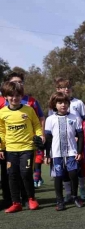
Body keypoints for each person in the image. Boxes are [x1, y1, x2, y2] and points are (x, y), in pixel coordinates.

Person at [0, 81, 43, 213]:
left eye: (17, 95)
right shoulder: (2, 112)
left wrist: (40, 136)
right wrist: (1, 147)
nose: (14, 98)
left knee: (25, 173)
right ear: (5, 97)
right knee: (11, 175)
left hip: (27, 148)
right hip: (10, 149)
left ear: (21, 96)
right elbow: (1, 131)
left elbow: (36, 125)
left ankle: (31, 199)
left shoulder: (28, 110)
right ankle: (16, 203)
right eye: (11, 95)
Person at [44, 92, 83, 211]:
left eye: (65, 102)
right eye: (60, 102)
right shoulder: (50, 119)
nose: (63, 105)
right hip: (56, 153)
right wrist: (47, 154)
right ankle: (60, 200)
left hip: (72, 151)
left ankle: (74, 196)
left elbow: (80, 135)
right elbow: (48, 138)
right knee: (58, 177)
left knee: (73, 174)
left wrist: (79, 151)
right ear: (54, 104)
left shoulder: (75, 118)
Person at [53, 78, 85, 200]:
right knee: (64, 170)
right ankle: (68, 192)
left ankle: (82, 187)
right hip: (61, 143)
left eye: (68, 87)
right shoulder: (56, 103)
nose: (66, 89)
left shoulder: (78, 103)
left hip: (76, 140)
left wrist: (79, 137)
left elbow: (84, 120)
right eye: (63, 87)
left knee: (78, 168)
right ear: (58, 89)